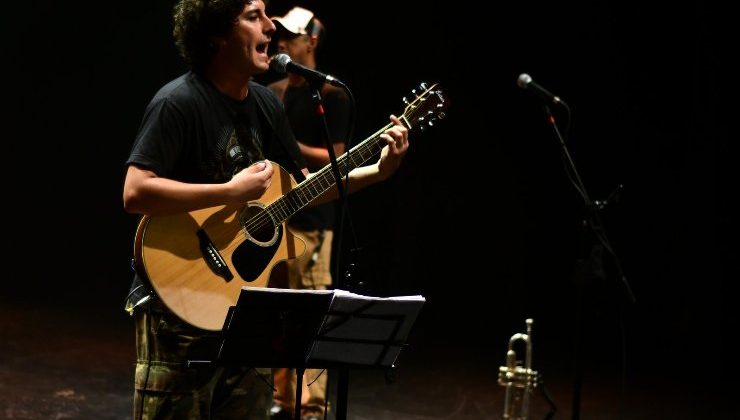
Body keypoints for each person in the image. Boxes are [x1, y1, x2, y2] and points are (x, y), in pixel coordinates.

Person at [121, 0, 409, 418]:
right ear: (217, 35)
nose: (271, 26)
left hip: (241, 307)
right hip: (176, 302)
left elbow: (303, 191)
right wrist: (230, 191)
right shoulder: (178, 102)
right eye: (254, 16)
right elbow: (136, 191)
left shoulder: (265, 106)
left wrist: (378, 172)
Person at [265, 6, 348, 420]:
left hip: (314, 225)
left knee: (310, 317)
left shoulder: (329, 96)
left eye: (290, 36)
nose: (281, 41)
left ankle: (311, 408)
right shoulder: (276, 91)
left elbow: (340, 158)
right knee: (276, 315)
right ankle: (281, 400)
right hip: (274, 220)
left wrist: (290, 148)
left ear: (311, 41)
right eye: (279, 34)